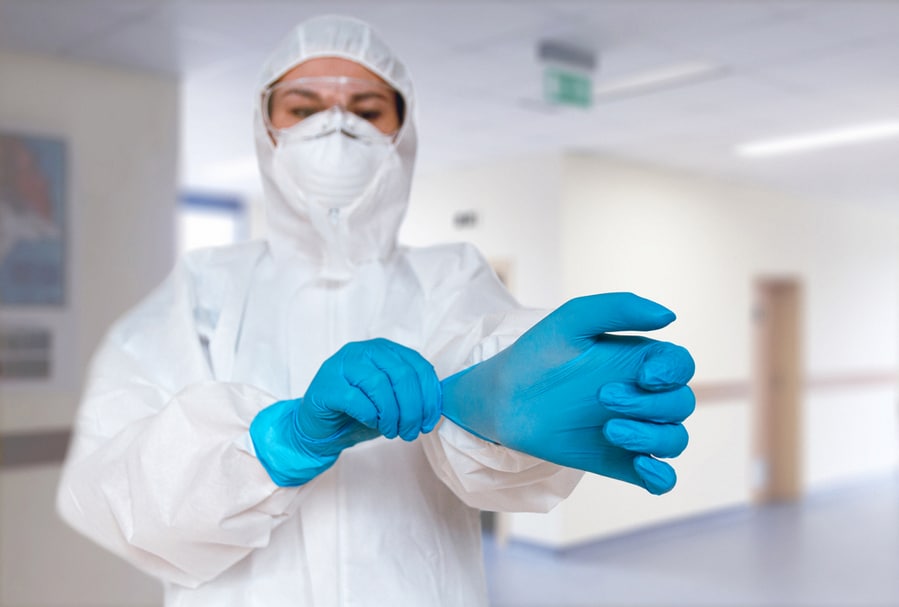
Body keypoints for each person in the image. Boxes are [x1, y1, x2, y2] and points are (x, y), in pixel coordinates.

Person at [56, 14, 695, 607]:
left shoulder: (451, 277)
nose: (335, 129)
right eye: (303, 109)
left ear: (402, 132)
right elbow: (112, 493)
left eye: (366, 110)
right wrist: (279, 442)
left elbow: (489, 359)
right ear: (266, 128)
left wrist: (496, 413)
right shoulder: (204, 290)